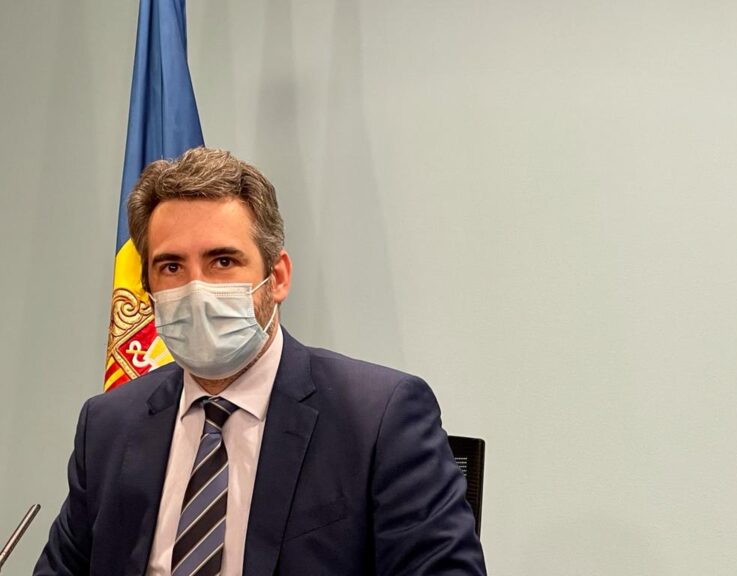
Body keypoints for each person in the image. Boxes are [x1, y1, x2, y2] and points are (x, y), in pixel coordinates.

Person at [34, 147, 486, 575]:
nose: (197, 290)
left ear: (278, 277)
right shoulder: (108, 425)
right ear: (148, 289)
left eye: (222, 261)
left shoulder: (379, 418)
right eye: (171, 267)